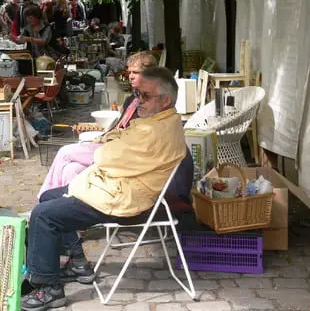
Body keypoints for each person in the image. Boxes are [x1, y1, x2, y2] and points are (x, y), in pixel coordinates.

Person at [21, 67, 187, 310]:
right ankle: (77, 262)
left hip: (126, 198)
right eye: (138, 94)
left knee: (43, 215)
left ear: (166, 100)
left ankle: (48, 287)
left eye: (146, 96)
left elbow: (106, 156)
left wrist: (111, 147)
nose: (139, 100)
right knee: (48, 197)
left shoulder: (156, 130)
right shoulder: (159, 120)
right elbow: (116, 145)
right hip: (117, 186)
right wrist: (113, 146)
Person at [38, 51, 158, 197]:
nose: (130, 76)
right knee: (71, 169)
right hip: (111, 145)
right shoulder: (133, 98)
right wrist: (103, 136)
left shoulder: (151, 103)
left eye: (136, 72)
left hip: (121, 154)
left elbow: (136, 136)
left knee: (64, 152)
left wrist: (107, 141)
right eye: (129, 72)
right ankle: (66, 205)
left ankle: (45, 197)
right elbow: (119, 126)